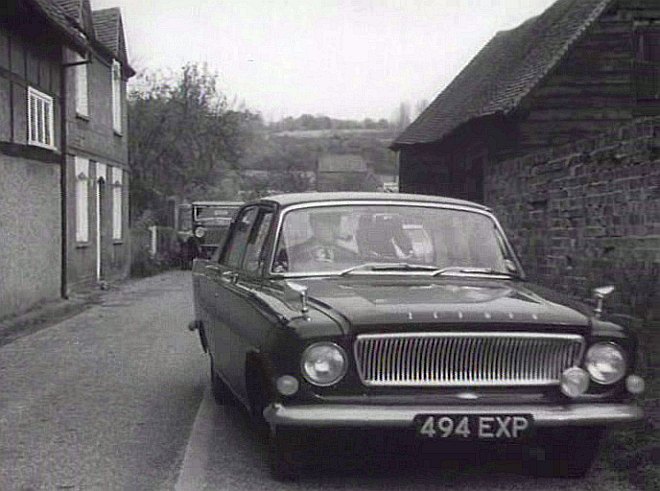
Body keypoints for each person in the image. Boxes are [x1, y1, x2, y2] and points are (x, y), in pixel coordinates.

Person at [275, 212, 357, 271]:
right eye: (326, 223)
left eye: (335, 223)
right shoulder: (292, 254)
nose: (332, 228)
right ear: (313, 224)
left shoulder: (350, 256)